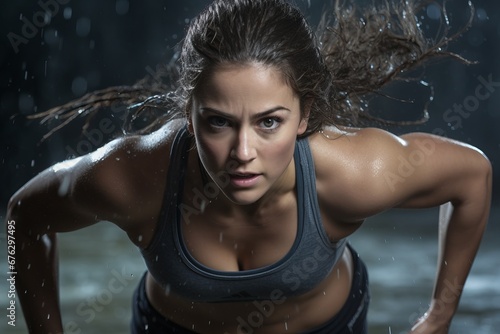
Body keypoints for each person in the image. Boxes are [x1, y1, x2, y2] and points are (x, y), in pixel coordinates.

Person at [7, 0, 492, 333]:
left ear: (303, 116)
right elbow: (19, 219)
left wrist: (440, 314)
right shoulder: (135, 178)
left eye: (268, 123)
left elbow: (474, 175)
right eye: (219, 122)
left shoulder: (353, 173)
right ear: (189, 115)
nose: (242, 151)